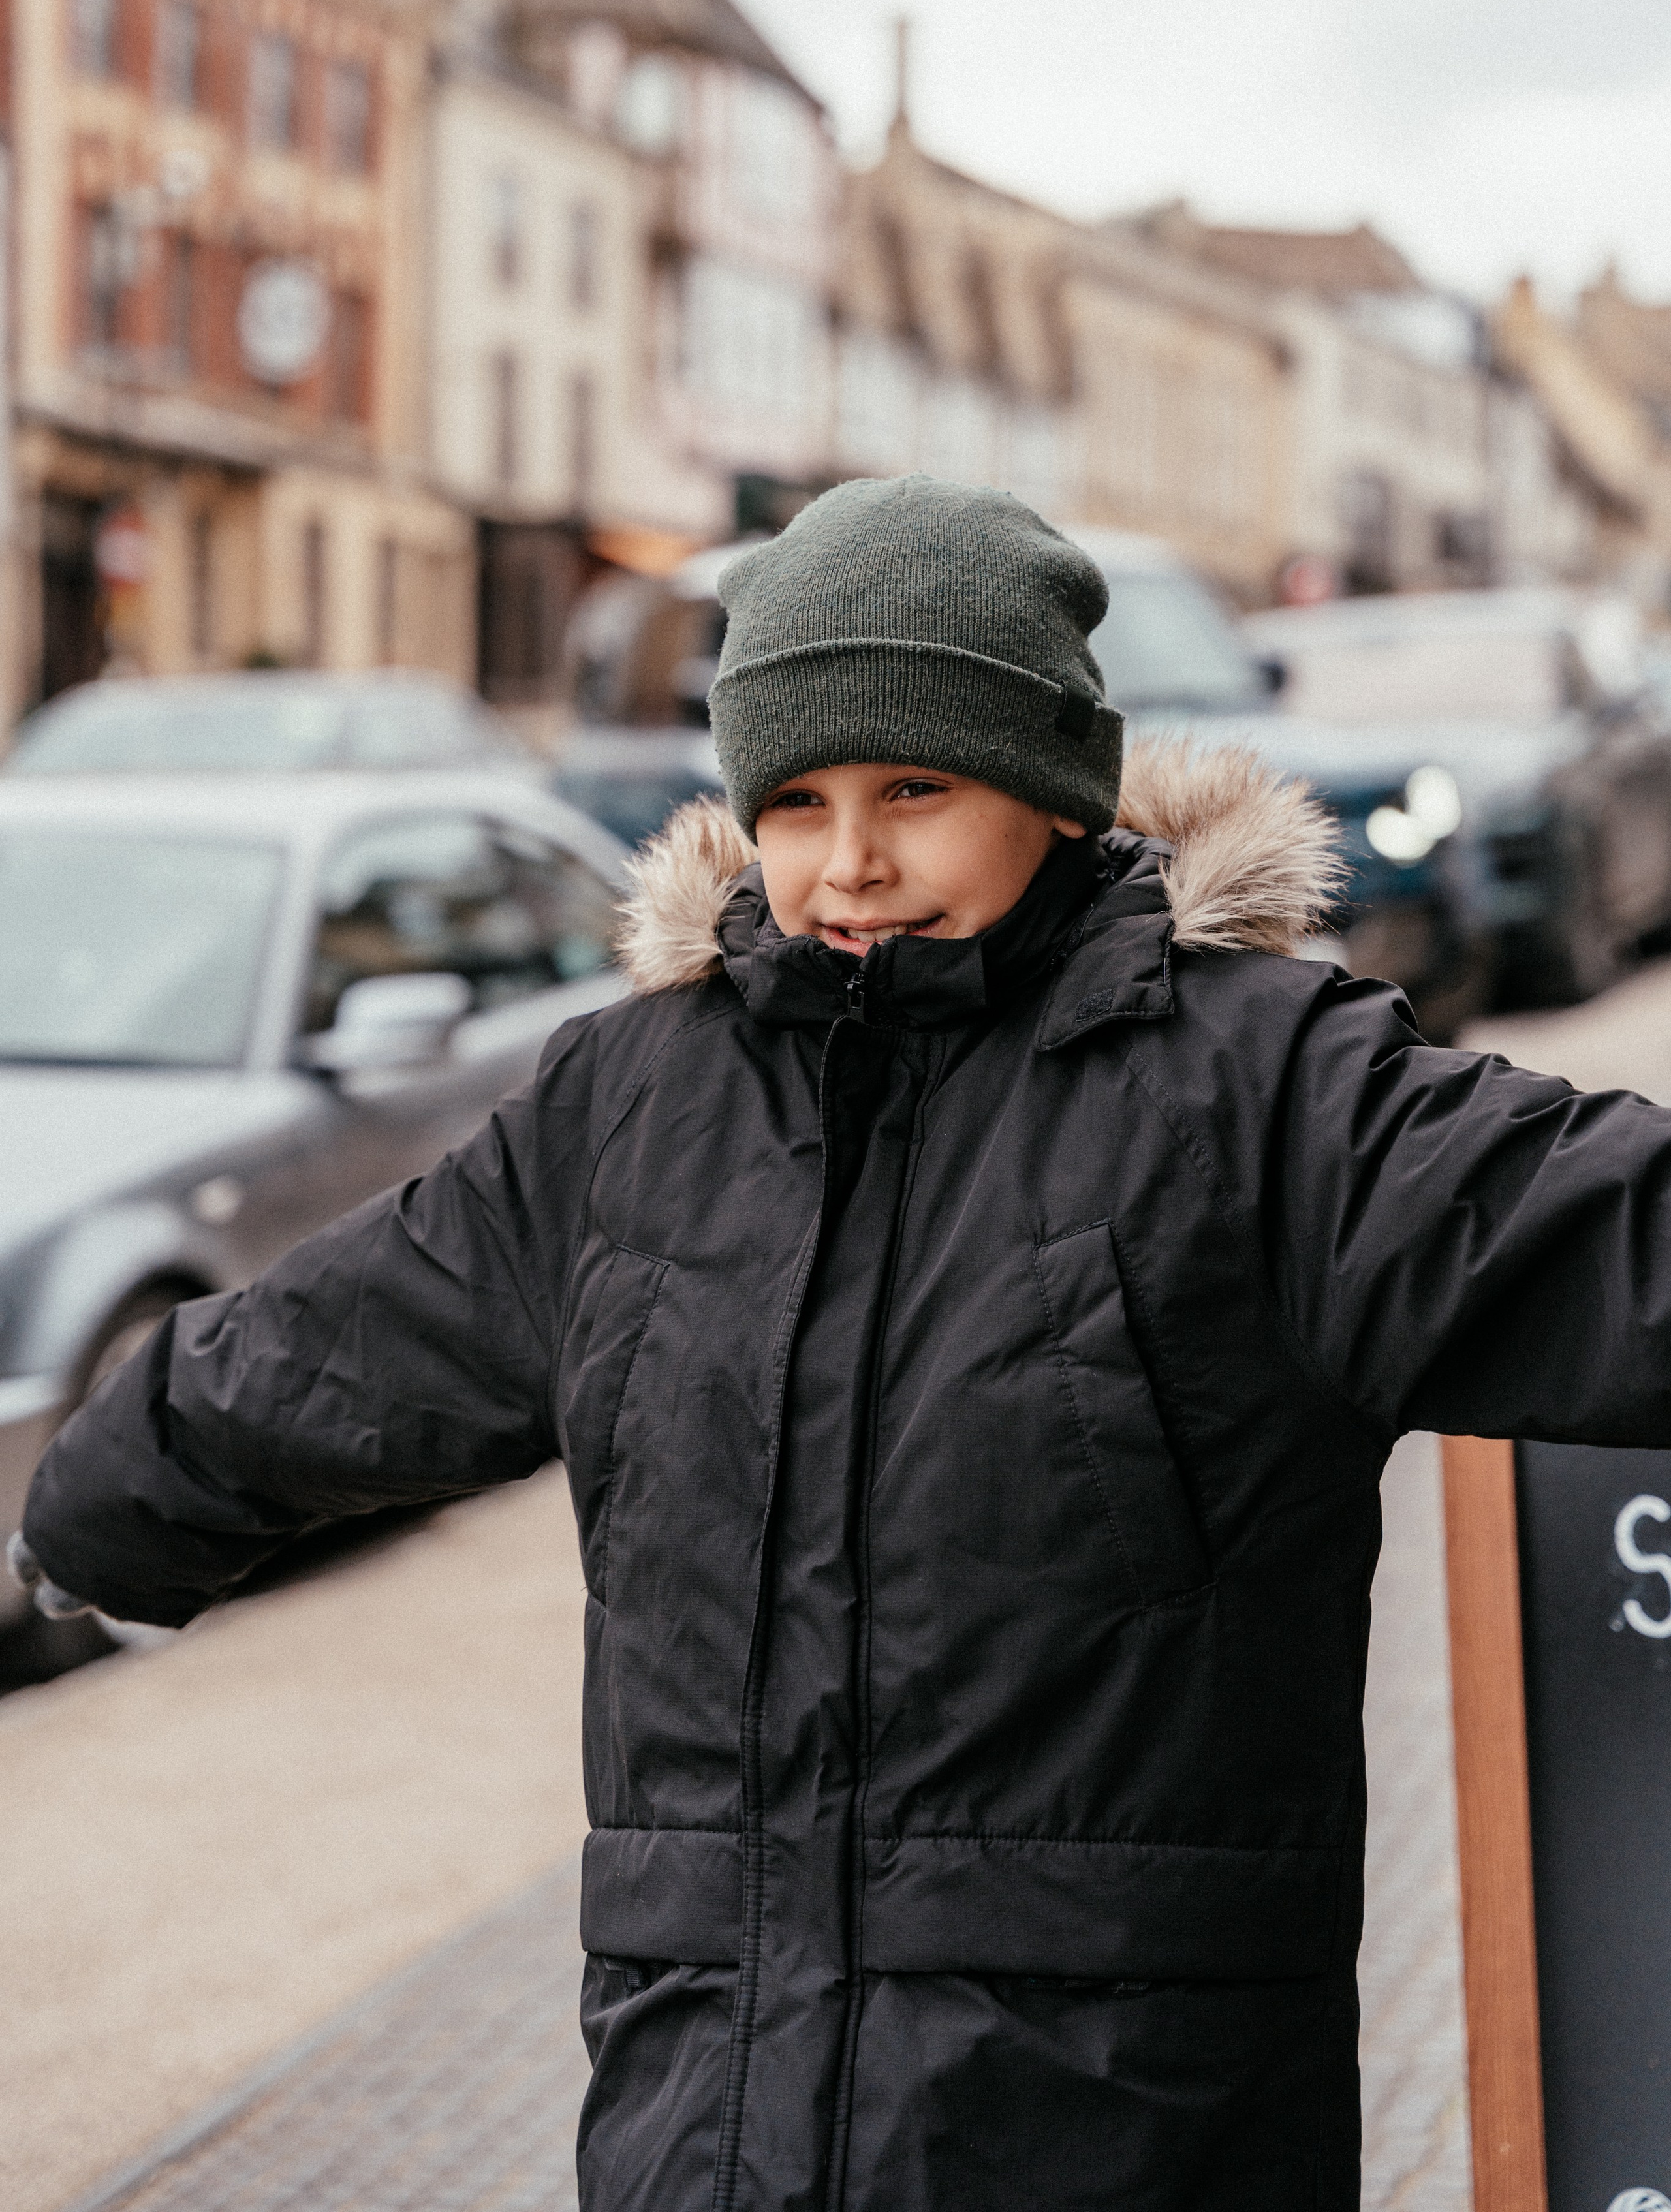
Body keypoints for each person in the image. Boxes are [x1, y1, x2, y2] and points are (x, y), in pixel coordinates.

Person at [16, 471, 1671, 2211]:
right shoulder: (635, 1102)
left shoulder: (1256, 1088)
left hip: (1110, 2136)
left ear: (1051, 788)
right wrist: (102, 1499)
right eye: (796, 801)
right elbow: (352, 1336)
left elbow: (1599, 1233)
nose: (850, 863)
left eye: (915, 789)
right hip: (707, 2123)